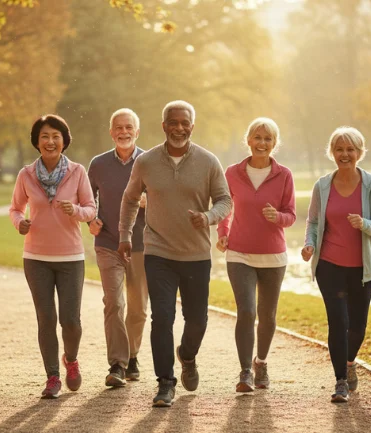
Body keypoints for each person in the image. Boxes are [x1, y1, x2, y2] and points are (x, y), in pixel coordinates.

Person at [118, 100, 232, 407]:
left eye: (185, 123)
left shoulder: (208, 162)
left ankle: (187, 355)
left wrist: (208, 217)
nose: (179, 128)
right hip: (158, 251)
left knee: (197, 320)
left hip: (196, 254)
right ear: (164, 125)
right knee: (162, 317)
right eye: (173, 122)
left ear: (192, 127)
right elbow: (130, 200)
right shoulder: (147, 162)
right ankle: (165, 383)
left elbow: (225, 201)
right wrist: (126, 235)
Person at [301, 126, 371, 403]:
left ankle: (350, 362)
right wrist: (310, 244)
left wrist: (364, 224)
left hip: (363, 269)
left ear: (359, 153)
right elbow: (314, 221)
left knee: (357, 326)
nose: (344, 154)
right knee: (338, 322)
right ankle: (340, 380)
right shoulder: (323, 186)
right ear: (332, 153)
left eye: (350, 149)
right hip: (329, 265)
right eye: (339, 149)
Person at [10, 114, 96, 399]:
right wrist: (19, 222)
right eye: (45, 136)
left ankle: (70, 360)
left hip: (71, 257)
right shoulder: (26, 175)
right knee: (46, 318)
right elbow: (15, 208)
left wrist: (77, 211)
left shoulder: (77, 171)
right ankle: (52, 377)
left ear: (64, 141)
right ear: (37, 141)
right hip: (36, 258)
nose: (50, 141)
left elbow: (91, 208)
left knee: (70, 320)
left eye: (56, 136)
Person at [216, 117, 295, 392]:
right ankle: (245, 372)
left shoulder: (284, 175)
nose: (262, 143)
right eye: (257, 138)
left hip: (273, 255)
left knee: (268, 315)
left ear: (275, 144)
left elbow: (291, 215)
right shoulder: (232, 172)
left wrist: (278, 217)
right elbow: (224, 206)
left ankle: (261, 362)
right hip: (239, 253)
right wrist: (222, 232)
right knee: (247, 311)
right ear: (248, 140)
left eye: (268, 139)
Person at [87, 108, 148, 387]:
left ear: (137, 131)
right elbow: (86, 199)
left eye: (128, 127)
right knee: (114, 303)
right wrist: (91, 219)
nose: (123, 132)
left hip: (142, 245)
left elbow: (169, 198)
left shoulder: (150, 162)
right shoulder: (98, 164)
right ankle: (117, 365)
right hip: (108, 243)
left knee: (137, 308)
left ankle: (133, 356)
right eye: (118, 128)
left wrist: (152, 200)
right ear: (111, 132)